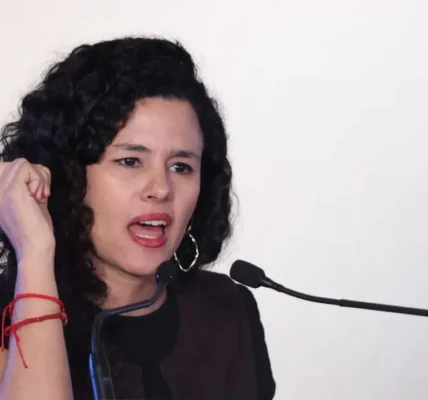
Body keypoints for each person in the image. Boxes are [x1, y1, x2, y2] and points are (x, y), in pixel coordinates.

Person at [0, 36, 275, 400]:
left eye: (181, 166)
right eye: (130, 161)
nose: (161, 189)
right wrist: (35, 251)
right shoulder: (7, 312)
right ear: (67, 175)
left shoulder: (227, 308)